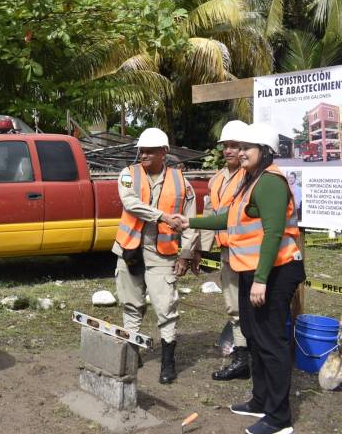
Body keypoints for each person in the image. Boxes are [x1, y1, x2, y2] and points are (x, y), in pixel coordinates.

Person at [180, 122, 304, 434]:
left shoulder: (270, 182)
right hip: (252, 270)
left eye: (249, 147)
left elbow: (274, 232)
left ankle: (279, 418)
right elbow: (229, 217)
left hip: (275, 272)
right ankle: (261, 401)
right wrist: (190, 221)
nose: (241, 151)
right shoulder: (249, 181)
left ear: (265, 152)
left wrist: (261, 279)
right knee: (253, 333)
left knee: (271, 342)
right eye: (241, 146)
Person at [113, 127, 197, 384]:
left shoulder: (182, 182)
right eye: (141, 151)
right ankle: (131, 353)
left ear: (164, 152)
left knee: (166, 307)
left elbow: (191, 222)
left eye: (150, 151)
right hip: (130, 249)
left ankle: (168, 361)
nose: (144, 155)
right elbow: (130, 203)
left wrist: (186, 254)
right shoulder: (127, 175)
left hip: (163, 253)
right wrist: (162, 216)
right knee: (131, 303)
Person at [199, 120, 251, 381]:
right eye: (226, 146)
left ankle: (255, 356)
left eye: (234, 145)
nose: (229, 150)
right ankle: (242, 358)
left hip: (251, 253)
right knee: (233, 305)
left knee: (255, 306)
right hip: (228, 252)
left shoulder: (251, 175)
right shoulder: (217, 178)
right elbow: (210, 213)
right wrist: (200, 249)